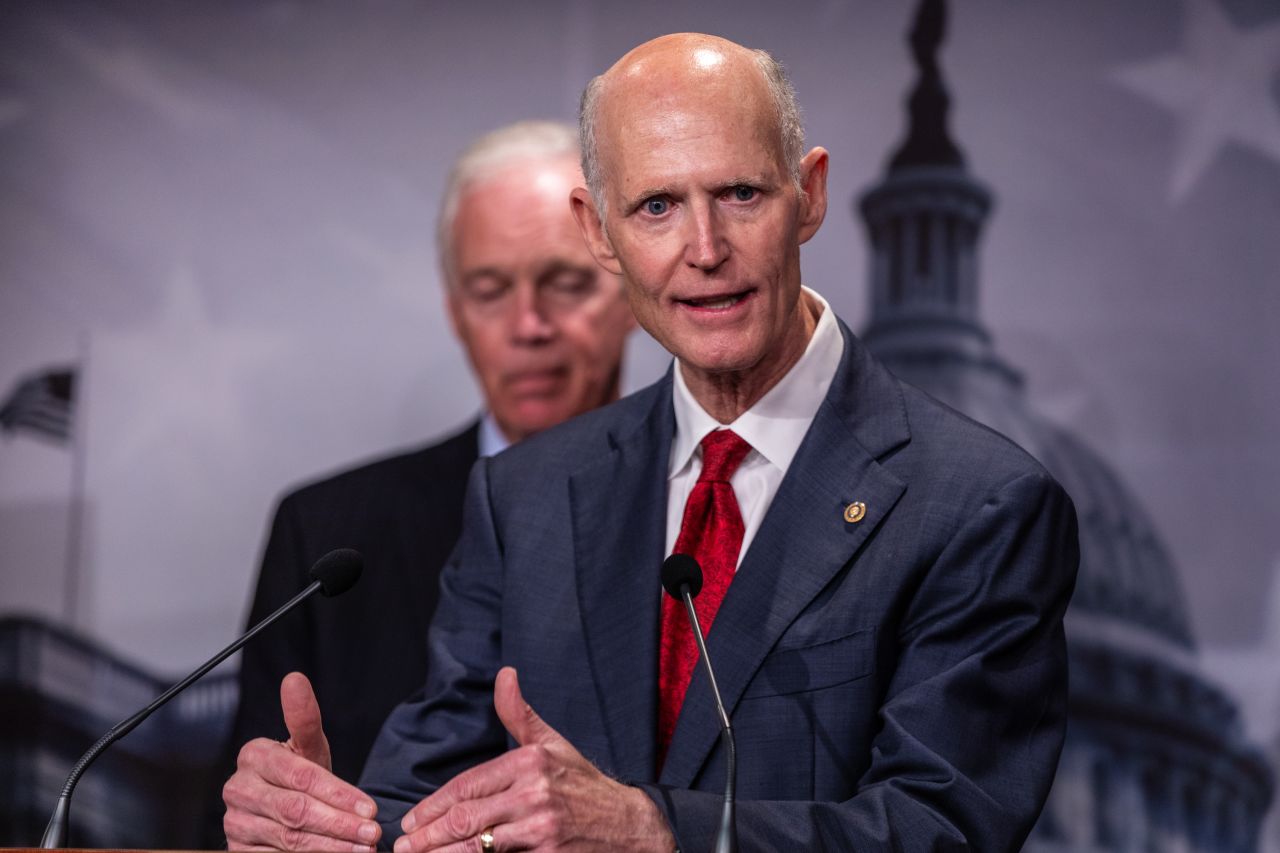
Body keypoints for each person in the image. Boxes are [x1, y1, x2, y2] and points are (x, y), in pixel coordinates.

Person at [222, 34, 1079, 852]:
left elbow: (942, 829)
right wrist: (342, 827)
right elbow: (432, 796)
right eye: (657, 206)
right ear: (600, 232)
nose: (704, 250)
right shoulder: (527, 495)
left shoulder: (979, 503)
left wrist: (659, 834)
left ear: (809, 194)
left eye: (740, 194)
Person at [221, 120, 636, 788]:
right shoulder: (327, 536)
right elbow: (235, 813)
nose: (528, 326)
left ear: (632, 295)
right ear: (454, 311)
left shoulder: (710, 507)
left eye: (564, 281)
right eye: (491, 290)